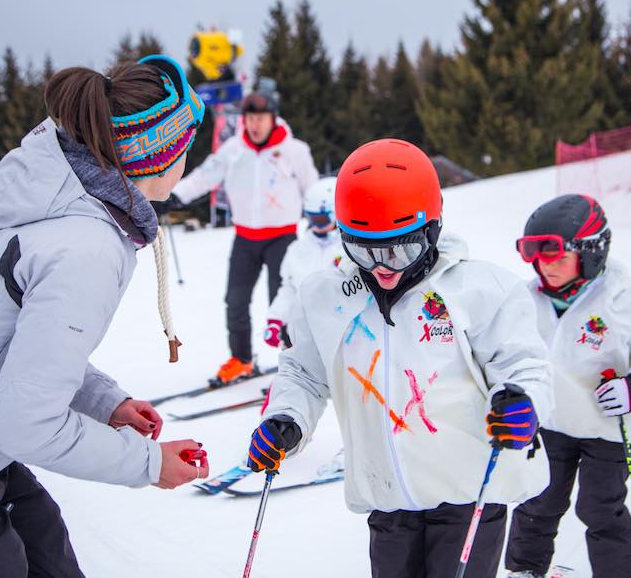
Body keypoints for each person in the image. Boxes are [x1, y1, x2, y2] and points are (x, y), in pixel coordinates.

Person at [0, 54, 210, 577]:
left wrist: (106, 402)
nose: (188, 159)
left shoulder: (76, 216)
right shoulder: (86, 248)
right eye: (185, 144)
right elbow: (26, 425)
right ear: (155, 153)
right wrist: (150, 464)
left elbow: (28, 351)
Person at [245, 139, 553, 578]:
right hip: (387, 497)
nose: (383, 267)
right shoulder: (325, 298)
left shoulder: (481, 290)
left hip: (467, 494)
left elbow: (524, 365)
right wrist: (287, 419)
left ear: (432, 230)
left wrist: (522, 400)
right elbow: (304, 376)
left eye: (400, 249)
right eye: (364, 250)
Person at [504, 194, 631, 578]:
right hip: (553, 423)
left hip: (607, 428)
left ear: (590, 252)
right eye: (536, 256)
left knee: (600, 507)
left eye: (555, 255)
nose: (545, 266)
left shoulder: (627, 305)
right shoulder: (525, 302)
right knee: (538, 499)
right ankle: (525, 571)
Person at [169, 89, 319, 383]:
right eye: (250, 118)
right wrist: (176, 196)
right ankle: (241, 360)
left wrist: (319, 222)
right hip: (245, 239)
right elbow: (205, 175)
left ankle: (292, 361)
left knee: (284, 302)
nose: (255, 124)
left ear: (273, 119)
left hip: (283, 238)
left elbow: (311, 188)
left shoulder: (294, 151)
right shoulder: (233, 149)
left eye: (261, 118)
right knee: (235, 301)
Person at [263, 177, 343, 350]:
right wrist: (275, 320)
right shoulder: (297, 250)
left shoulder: (348, 249)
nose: (315, 225)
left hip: (342, 332)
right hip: (306, 332)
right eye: (311, 218)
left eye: (321, 219)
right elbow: (290, 289)